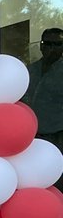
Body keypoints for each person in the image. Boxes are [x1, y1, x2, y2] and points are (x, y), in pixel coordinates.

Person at [27, 27, 63, 170]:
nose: (52, 48)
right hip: (30, 134)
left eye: (57, 44)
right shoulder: (30, 70)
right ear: (41, 46)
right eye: (47, 43)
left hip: (57, 136)